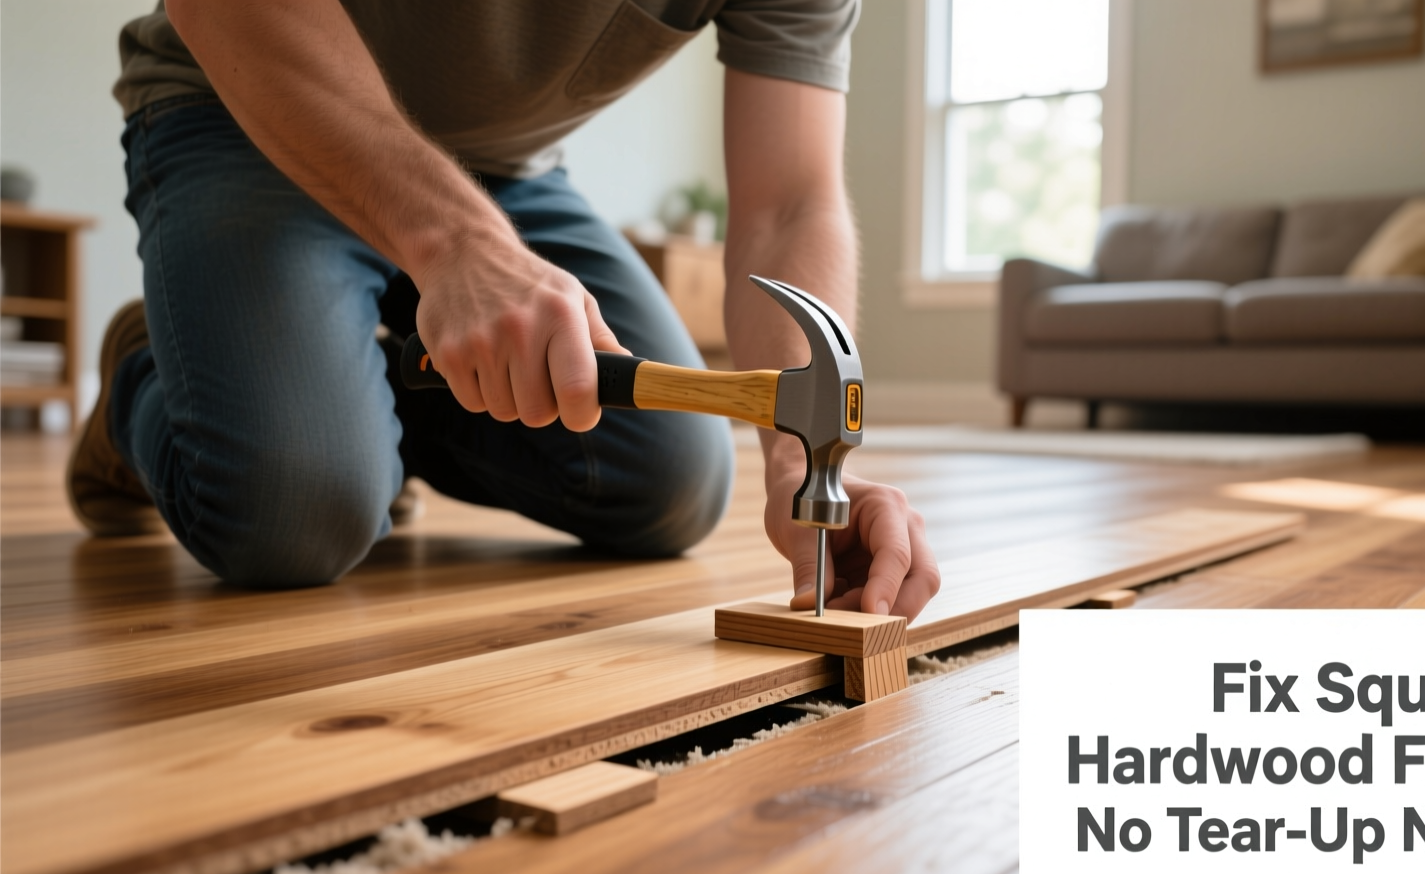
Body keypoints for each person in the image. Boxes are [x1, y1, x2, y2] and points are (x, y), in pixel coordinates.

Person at [70, 0, 940, 618]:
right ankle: (146, 375)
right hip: (250, 112)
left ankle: (345, 388)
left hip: (510, 175)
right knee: (293, 515)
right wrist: (453, 247)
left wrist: (798, 461)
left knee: (669, 484)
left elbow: (788, 203)